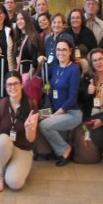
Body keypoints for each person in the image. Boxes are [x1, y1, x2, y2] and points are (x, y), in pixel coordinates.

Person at [0, 72, 39, 191]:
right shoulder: (1, 105)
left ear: (22, 85)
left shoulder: (31, 105)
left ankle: (9, 166)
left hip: (23, 150)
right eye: (9, 84)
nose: (12, 87)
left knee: (15, 183)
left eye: (15, 83)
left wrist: (28, 128)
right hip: (3, 146)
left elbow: (31, 139)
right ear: (5, 87)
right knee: (3, 139)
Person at [38, 38, 82, 167]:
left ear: (70, 51)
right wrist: (40, 61)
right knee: (34, 116)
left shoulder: (74, 70)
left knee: (44, 125)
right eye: (58, 49)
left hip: (71, 113)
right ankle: (43, 152)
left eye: (64, 49)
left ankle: (65, 150)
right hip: (55, 110)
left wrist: (55, 115)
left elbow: (72, 99)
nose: (60, 52)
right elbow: (43, 75)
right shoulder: (55, 67)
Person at [63, 8, 97, 74]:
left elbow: (94, 51)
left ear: (82, 20)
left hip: (86, 67)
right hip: (68, 64)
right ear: (70, 20)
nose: (75, 20)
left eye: (78, 18)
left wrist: (83, 61)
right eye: (73, 18)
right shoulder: (65, 33)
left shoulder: (88, 33)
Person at [13, 11, 44, 78]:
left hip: (28, 73)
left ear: (27, 20)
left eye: (22, 19)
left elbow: (35, 57)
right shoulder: (17, 37)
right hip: (19, 71)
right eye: (17, 19)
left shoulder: (33, 37)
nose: (19, 21)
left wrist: (30, 73)